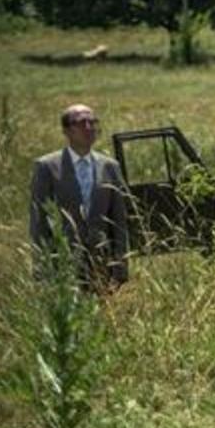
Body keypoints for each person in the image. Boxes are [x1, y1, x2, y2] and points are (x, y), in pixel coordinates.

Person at [29, 104, 130, 290]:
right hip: (62, 264)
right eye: (82, 122)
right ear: (67, 130)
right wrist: (42, 268)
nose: (89, 127)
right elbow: (38, 222)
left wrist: (121, 265)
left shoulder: (110, 167)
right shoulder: (47, 167)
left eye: (93, 122)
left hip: (102, 265)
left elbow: (119, 220)